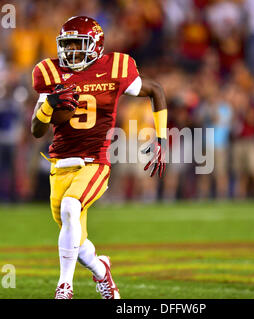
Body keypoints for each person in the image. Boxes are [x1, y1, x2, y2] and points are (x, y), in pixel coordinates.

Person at [30, 16, 168, 299]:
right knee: (76, 240)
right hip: (60, 164)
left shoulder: (114, 68)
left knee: (71, 208)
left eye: (77, 45)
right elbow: (36, 129)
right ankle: (102, 270)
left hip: (95, 161)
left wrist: (161, 137)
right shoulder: (50, 72)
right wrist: (49, 105)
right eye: (66, 45)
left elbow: (155, 90)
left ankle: (64, 288)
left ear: (95, 46)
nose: (70, 51)